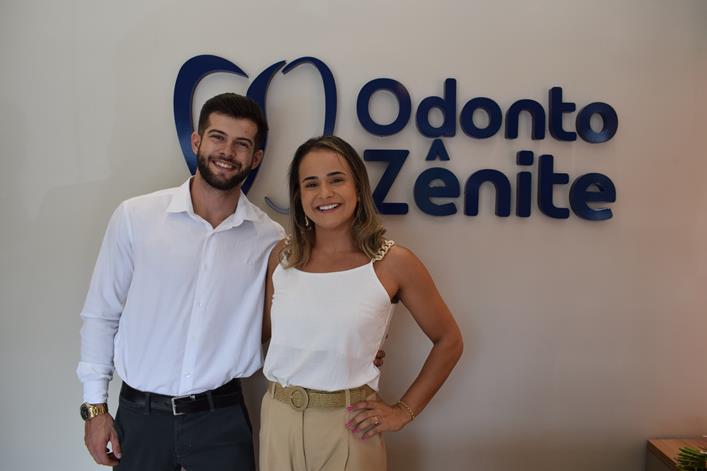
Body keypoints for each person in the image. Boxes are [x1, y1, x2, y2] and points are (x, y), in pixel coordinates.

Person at [77, 93, 284, 470]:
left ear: (255, 158)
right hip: (140, 418)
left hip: (221, 421)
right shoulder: (136, 217)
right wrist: (95, 408)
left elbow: (286, 320)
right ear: (196, 141)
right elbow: (101, 314)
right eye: (218, 137)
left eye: (241, 144)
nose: (227, 152)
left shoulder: (270, 238)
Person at [259, 135, 464, 471]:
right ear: (299, 196)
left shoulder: (394, 262)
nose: (325, 193)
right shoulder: (282, 257)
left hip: (350, 426)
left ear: (358, 187)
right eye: (311, 184)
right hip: (278, 421)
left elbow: (449, 340)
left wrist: (403, 411)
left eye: (336, 179)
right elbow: (270, 334)